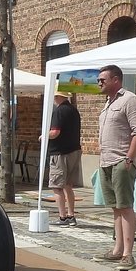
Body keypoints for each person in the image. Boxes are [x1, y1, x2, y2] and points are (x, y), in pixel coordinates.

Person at [94, 64, 136, 271]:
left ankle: (128, 254)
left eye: (103, 80)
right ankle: (118, 249)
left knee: (125, 206)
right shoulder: (108, 103)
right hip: (106, 161)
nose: (99, 83)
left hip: (121, 162)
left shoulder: (130, 100)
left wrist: (129, 159)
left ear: (116, 80)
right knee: (115, 207)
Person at [45, 91, 82, 227]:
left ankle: (62, 217)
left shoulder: (59, 111)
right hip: (74, 150)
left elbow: (55, 132)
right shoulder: (74, 110)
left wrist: (44, 135)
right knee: (68, 186)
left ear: (57, 96)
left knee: (57, 186)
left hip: (60, 153)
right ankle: (71, 215)